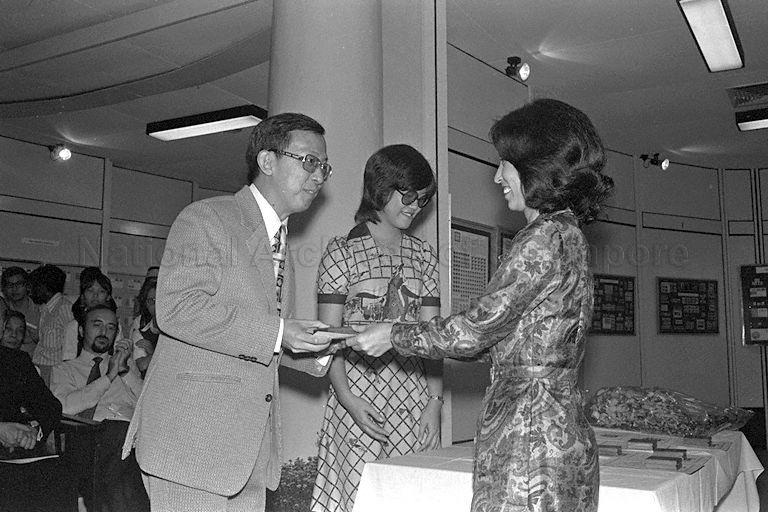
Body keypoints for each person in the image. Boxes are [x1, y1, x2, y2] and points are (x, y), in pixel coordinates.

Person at [350, 99, 614, 512]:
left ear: (535, 166)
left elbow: (474, 331)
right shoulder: (569, 233)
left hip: (528, 440)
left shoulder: (541, 239)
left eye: (505, 163)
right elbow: (515, 343)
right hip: (556, 433)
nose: (497, 176)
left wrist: (392, 334)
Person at [122, 112, 339, 512]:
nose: (318, 175)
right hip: (192, 449)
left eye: (323, 166)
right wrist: (278, 333)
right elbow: (177, 309)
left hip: (246, 453)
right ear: (267, 161)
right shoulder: (208, 218)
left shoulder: (279, 243)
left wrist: (317, 349)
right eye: (308, 161)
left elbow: (251, 342)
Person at [310, 144, 442, 512]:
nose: (416, 206)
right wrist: (349, 401)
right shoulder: (341, 252)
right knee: (359, 500)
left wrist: (433, 403)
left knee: (409, 499)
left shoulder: (425, 256)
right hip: (356, 398)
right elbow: (327, 338)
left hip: (413, 401)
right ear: (382, 188)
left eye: (424, 198)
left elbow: (433, 337)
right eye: (410, 195)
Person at [51, 303, 148, 512]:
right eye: (97, 325)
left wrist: (124, 370)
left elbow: (148, 403)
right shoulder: (65, 369)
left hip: (130, 443)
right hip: (87, 440)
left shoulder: (127, 369)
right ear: (81, 330)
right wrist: (108, 376)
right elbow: (65, 407)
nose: (104, 332)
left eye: (111, 327)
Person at [0, 303, 74, 512]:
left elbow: (49, 405)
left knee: (60, 475)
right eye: (6, 326)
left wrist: (33, 432)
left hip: (14, 450)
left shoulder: (17, 361)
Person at [28, 264, 74, 386]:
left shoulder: (65, 309)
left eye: (35, 286)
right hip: (40, 369)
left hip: (54, 373)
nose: (31, 291)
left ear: (45, 287)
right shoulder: (45, 310)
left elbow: (73, 345)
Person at [62, 267, 118, 361]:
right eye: (90, 290)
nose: (95, 295)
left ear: (108, 297)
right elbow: (68, 359)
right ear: (82, 295)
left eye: (101, 291)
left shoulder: (115, 325)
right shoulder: (74, 326)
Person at [1, 266, 41, 356]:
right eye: (10, 285)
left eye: (19, 284)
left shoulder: (41, 311)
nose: (14, 289)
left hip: (32, 364)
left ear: (27, 286)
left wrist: (39, 339)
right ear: (4, 289)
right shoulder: (2, 310)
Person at [129, 277, 158, 377]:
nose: (155, 305)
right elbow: (142, 365)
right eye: (151, 300)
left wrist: (152, 352)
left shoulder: (176, 332)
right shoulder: (140, 333)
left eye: (158, 299)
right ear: (146, 304)